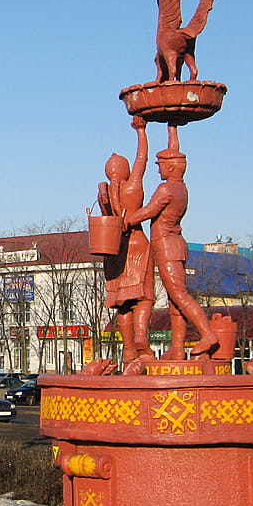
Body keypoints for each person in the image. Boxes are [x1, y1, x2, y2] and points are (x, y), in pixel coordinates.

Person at [125, 126, 217, 359]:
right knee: (174, 300)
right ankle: (177, 349)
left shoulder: (166, 189)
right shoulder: (180, 186)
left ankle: (207, 333)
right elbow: (175, 151)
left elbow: (149, 210)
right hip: (175, 245)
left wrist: (128, 219)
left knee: (179, 296)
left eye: (162, 166)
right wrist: (172, 127)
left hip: (167, 247)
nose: (159, 171)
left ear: (172, 167)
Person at [99, 115, 155, 365]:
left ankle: (129, 350)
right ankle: (142, 339)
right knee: (143, 297)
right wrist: (141, 131)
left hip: (114, 250)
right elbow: (142, 158)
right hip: (138, 245)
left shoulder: (104, 194)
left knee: (122, 305)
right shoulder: (133, 186)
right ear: (125, 169)